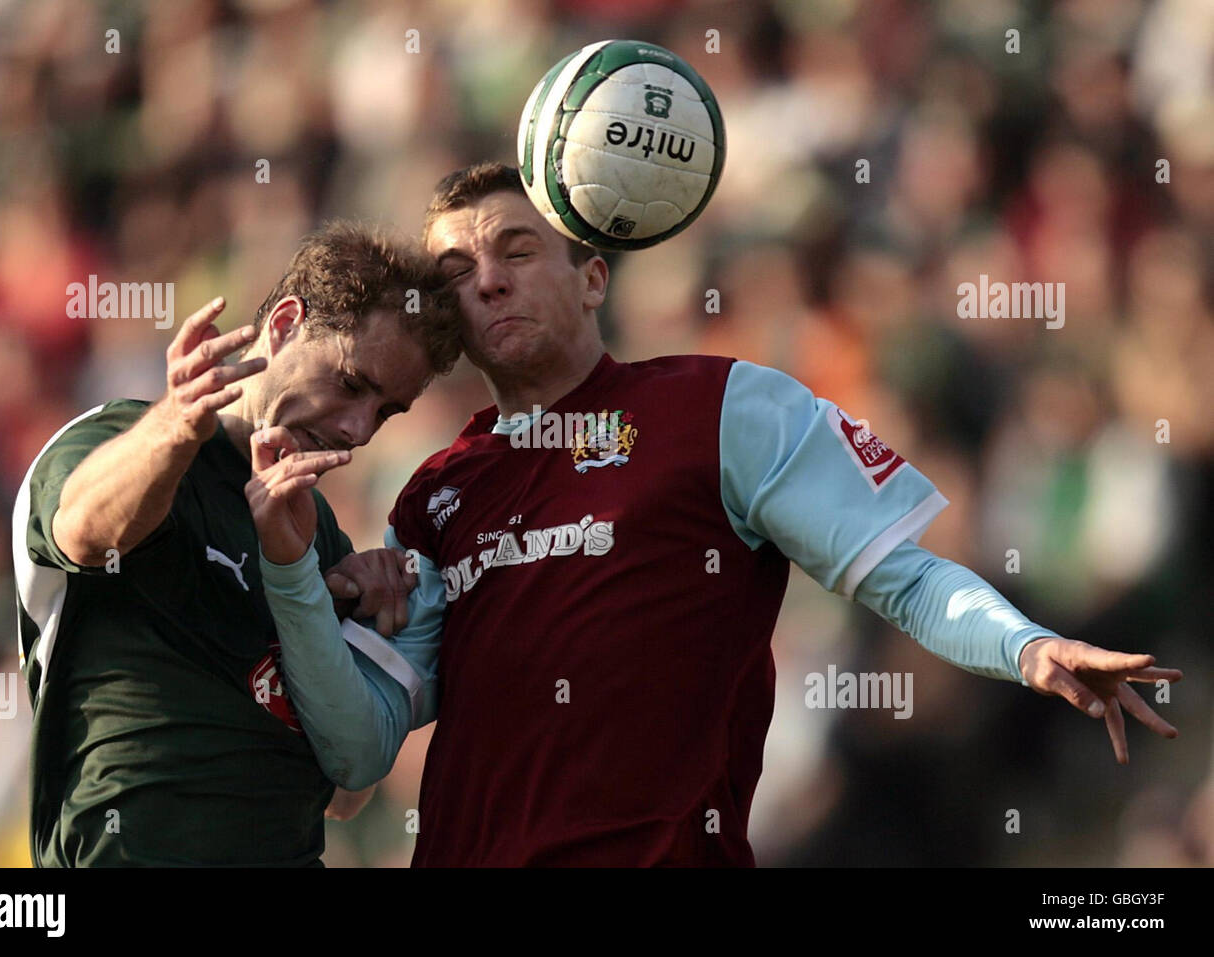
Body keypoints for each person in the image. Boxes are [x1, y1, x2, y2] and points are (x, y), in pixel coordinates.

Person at [250, 165, 1182, 867]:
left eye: (518, 250)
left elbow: (901, 577)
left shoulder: (726, 408)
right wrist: (302, 586)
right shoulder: (435, 493)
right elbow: (358, 756)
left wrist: (1024, 646)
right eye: (459, 266)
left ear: (592, 278)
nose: (487, 279)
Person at [12, 221, 461, 866]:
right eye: (352, 384)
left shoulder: (316, 531)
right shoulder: (121, 441)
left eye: (386, 412)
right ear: (283, 327)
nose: (359, 429)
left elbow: (347, 790)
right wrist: (174, 429)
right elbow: (85, 533)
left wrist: (354, 622)